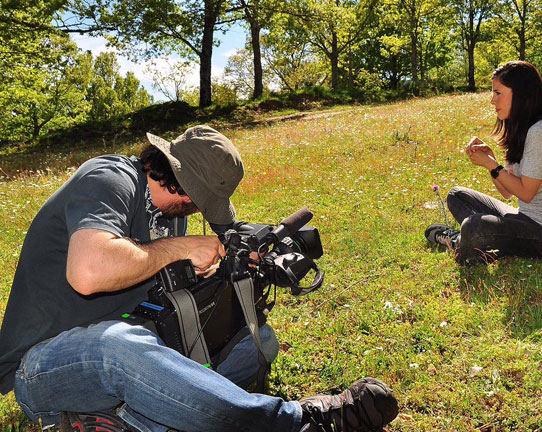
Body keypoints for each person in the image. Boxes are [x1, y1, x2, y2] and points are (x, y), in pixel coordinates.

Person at [0, 125, 398, 432]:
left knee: (256, 344)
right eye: (201, 202)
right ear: (183, 183)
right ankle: (297, 422)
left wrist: (233, 259)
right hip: (46, 365)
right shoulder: (110, 177)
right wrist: (180, 249)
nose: (200, 211)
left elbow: (174, 268)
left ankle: (125, 422)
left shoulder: (170, 214)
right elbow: (88, 273)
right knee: (118, 346)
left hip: (135, 344)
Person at [425, 61, 542, 261]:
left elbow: (526, 193)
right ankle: (475, 240)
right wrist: (491, 159)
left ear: (520, 94)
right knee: (457, 195)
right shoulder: (520, 129)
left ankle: (461, 242)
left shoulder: (541, 132)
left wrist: (491, 165)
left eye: (498, 93)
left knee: (474, 225)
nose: (492, 101)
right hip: (526, 219)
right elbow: (506, 192)